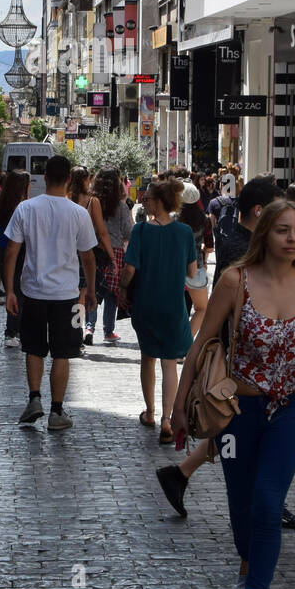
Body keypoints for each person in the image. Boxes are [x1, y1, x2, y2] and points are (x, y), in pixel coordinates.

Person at [171, 199, 295, 589]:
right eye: (283, 230)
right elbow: (201, 344)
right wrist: (179, 406)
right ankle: (247, 560)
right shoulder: (235, 281)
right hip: (238, 413)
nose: (292, 238)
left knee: (267, 502)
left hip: (290, 411)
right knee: (242, 506)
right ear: (265, 235)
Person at [156, 173, 295, 530]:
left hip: (244, 357)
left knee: (230, 429)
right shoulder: (250, 252)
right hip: (241, 359)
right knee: (233, 429)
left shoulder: (231, 227)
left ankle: (181, 474)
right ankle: (266, 503)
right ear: (260, 211)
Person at [3, 154, 97, 431]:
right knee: (62, 352)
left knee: (32, 348)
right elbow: (88, 257)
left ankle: (34, 399)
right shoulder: (78, 213)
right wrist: (90, 290)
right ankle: (57, 412)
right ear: (69, 179)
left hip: (32, 291)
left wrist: (10, 289)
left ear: (44, 177)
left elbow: (11, 251)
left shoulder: (26, 209)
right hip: (66, 295)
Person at [118, 177, 196, 444]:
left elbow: (129, 270)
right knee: (170, 362)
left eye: (148, 198)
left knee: (148, 357)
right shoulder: (185, 232)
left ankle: (150, 412)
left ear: (159, 202)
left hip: (146, 304)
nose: (144, 201)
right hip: (174, 305)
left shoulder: (141, 231)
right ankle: (167, 419)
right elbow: (192, 272)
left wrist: (122, 289)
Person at [85, 168, 134, 345]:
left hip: (93, 251)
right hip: (115, 252)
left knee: (92, 289)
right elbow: (128, 232)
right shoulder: (121, 207)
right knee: (112, 293)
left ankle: (89, 326)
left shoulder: (91, 203)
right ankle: (108, 330)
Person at [68, 166, 115, 344]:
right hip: (86, 251)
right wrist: (111, 256)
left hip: (68, 251)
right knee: (83, 294)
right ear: (86, 180)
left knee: (73, 296)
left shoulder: (65, 199)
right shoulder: (91, 201)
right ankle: (78, 333)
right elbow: (102, 232)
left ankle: (74, 332)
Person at [0, 169, 30, 349]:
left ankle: (15, 331)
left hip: (4, 250)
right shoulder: (23, 206)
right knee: (19, 293)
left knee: (12, 290)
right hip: (20, 251)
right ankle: (12, 331)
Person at [179, 182, 210, 337]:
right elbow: (210, 246)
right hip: (196, 267)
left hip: (174, 269)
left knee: (176, 311)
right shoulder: (204, 219)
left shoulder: (171, 218)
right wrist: (204, 258)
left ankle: (174, 345)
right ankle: (185, 342)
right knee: (202, 309)